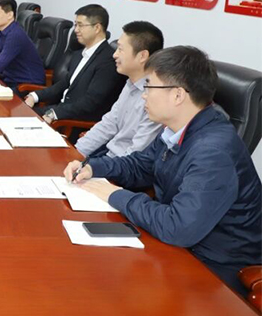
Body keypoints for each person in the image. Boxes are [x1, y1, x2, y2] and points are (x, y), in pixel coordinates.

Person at [63, 46, 262, 296]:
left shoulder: (213, 151)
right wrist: (94, 167)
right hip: (180, 246)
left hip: (216, 271)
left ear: (177, 95)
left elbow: (178, 227)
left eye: (149, 86)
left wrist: (114, 194)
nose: (144, 96)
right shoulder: (177, 129)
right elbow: (142, 165)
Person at [75, 21, 165, 158]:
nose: (114, 55)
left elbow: (136, 154)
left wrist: (97, 167)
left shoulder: (155, 97)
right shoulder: (130, 83)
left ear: (142, 56)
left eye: (120, 49)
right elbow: (109, 124)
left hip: (122, 165)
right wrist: (75, 152)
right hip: (107, 157)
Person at [24, 4, 123, 123]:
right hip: (60, 110)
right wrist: (35, 96)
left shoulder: (108, 61)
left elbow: (90, 103)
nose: (76, 30)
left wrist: (53, 113)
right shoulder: (79, 54)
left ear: (97, 28)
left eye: (80, 25)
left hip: (73, 121)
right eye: (76, 25)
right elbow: (65, 83)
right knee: (18, 113)